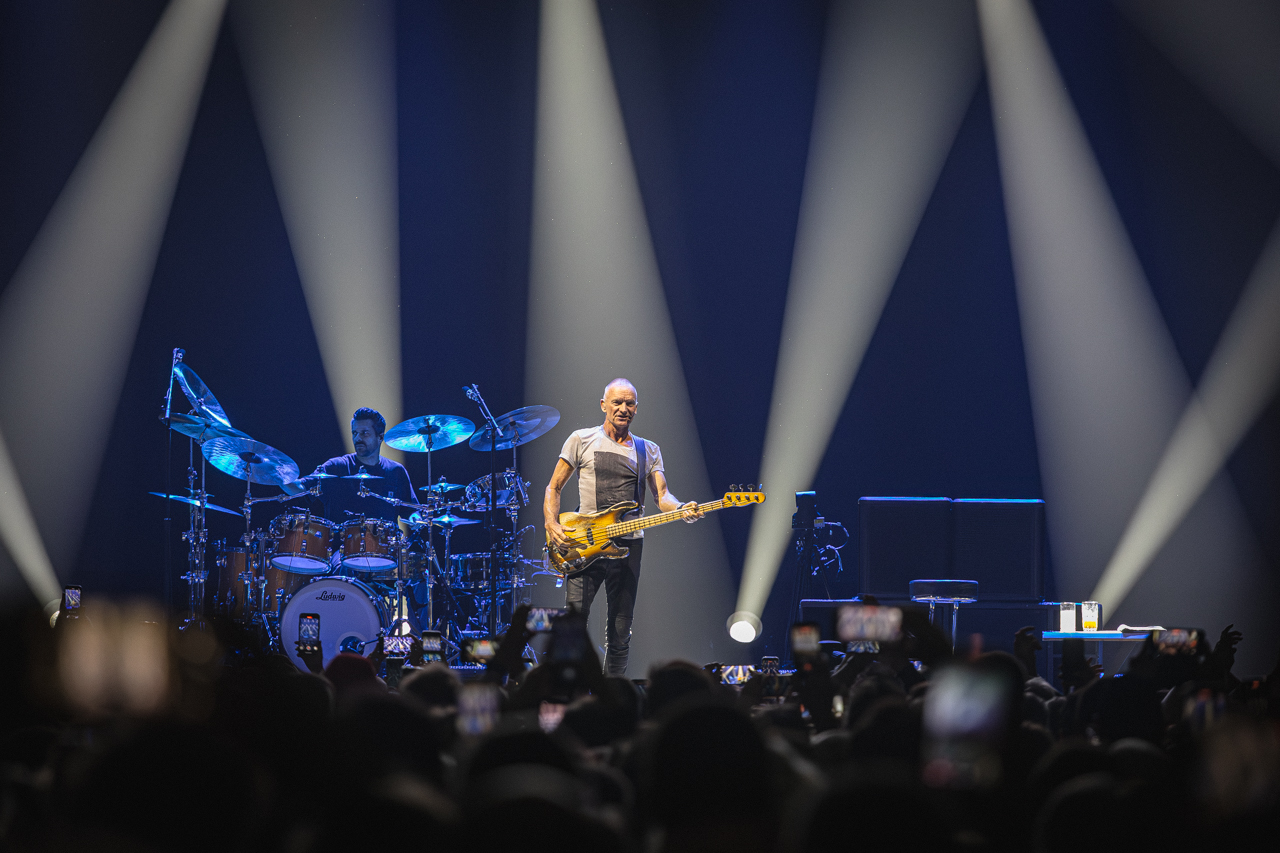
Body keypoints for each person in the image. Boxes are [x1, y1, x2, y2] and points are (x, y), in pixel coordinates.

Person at [544, 379, 701, 676]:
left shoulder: (648, 449)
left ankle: (612, 694)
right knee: (572, 626)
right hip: (585, 543)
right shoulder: (581, 439)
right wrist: (551, 523)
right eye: (617, 402)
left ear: (636, 408)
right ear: (604, 405)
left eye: (629, 403)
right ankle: (570, 690)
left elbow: (662, 497)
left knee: (620, 630)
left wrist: (681, 508)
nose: (623, 408)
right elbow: (553, 487)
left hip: (629, 545)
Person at [306, 407, 416, 525]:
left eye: (364, 433)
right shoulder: (336, 467)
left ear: (380, 437)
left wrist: (416, 518)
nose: (358, 438)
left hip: (385, 538)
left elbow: (411, 511)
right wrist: (289, 475)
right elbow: (301, 487)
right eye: (355, 433)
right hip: (340, 537)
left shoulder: (396, 471)